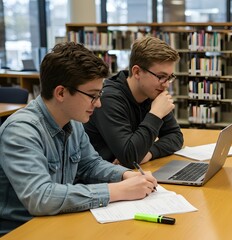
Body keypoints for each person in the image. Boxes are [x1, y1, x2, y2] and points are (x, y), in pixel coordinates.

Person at [0, 42, 158, 235]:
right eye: (92, 95)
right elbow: (40, 198)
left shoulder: (72, 122)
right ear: (61, 93)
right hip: (23, 231)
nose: (98, 104)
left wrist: (125, 175)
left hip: (57, 222)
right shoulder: (21, 131)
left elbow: (90, 164)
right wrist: (117, 191)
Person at [84, 36, 183, 169]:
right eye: (161, 77)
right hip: (103, 179)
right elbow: (130, 157)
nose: (166, 85)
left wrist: (149, 153)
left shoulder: (152, 92)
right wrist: (155, 114)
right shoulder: (108, 99)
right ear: (137, 72)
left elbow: (175, 136)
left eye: (169, 77)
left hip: (129, 174)